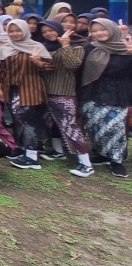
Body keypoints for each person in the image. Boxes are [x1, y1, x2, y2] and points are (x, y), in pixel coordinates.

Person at [37, 20, 93, 176]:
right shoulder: (44, 48)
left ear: (59, 29)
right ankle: (58, 151)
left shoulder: (76, 47)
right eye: (44, 32)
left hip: (64, 93)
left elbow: (72, 65)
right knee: (53, 125)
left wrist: (65, 45)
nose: (48, 34)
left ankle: (86, 163)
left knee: (70, 127)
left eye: (51, 30)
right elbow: (44, 71)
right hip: (46, 93)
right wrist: (38, 64)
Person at [0, 19, 51, 170]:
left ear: (25, 30)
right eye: (11, 31)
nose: (15, 34)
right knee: (18, 120)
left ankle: (32, 156)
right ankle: (23, 148)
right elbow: (2, 70)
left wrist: (38, 62)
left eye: (18, 30)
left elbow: (50, 67)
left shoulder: (36, 47)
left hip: (31, 90)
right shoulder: (7, 47)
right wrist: (0, 87)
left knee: (28, 120)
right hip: (12, 90)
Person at [78, 19, 132, 178]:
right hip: (92, 92)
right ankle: (102, 155)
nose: (99, 33)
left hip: (116, 93)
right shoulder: (90, 48)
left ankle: (117, 161)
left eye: (103, 29)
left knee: (116, 128)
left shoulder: (126, 47)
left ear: (112, 29)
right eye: (94, 30)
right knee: (95, 126)